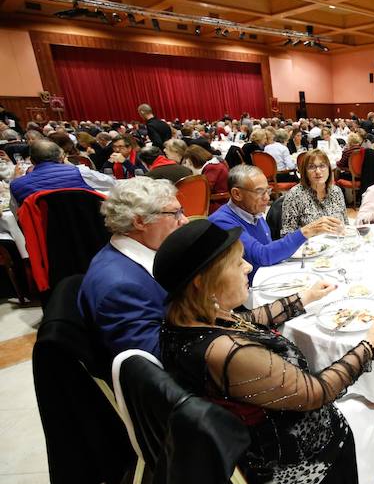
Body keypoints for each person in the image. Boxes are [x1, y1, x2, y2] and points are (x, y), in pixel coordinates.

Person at [154, 219, 374, 484]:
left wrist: (303, 299)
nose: (246, 268)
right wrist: (371, 345)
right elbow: (315, 393)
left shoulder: (187, 318)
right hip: (283, 460)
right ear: (202, 282)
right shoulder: (228, 354)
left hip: (253, 432)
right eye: (237, 262)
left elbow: (246, 321)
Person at [79, 177, 187, 358]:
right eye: (175, 214)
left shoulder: (144, 254)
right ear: (140, 222)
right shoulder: (120, 287)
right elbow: (155, 357)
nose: (184, 220)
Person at [208, 164, 336, 280]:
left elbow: (269, 247)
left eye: (267, 190)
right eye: (260, 192)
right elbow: (262, 256)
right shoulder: (222, 222)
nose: (267, 198)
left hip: (269, 277)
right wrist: (306, 231)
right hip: (247, 294)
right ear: (237, 194)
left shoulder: (252, 212)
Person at [281, 149, 349, 235]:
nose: (318, 171)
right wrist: (311, 229)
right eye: (311, 167)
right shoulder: (294, 195)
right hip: (308, 247)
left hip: (337, 243)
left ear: (329, 169)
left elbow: (346, 224)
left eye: (322, 166)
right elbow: (287, 235)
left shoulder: (336, 191)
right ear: (305, 172)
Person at [9, 139, 92, 206]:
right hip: (87, 223)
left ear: (32, 161)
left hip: (43, 226)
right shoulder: (80, 173)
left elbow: (18, 216)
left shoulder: (17, 185)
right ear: (61, 157)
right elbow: (103, 183)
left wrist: (16, 179)